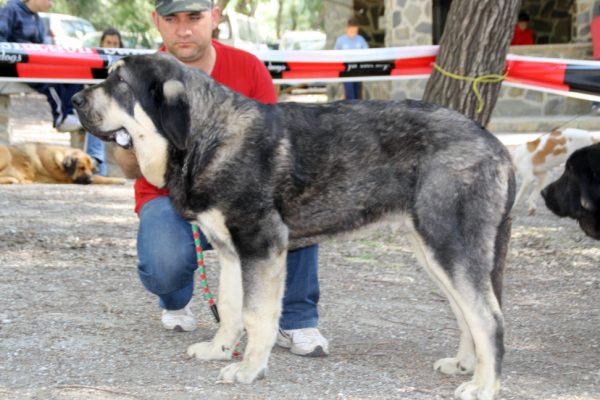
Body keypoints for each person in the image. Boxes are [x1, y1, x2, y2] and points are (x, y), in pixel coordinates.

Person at [113, 0, 329, 357]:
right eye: (171, 19)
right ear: (156, 22)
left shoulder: (248, 69)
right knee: (163, 265)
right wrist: (130, 141)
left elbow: (273, 153)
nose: (183, 29)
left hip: (240, 195)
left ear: (214, 17)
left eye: (194, 17)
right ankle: (175, 299)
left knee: (292, 204)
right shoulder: (138, 78)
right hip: (168, 197)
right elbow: (128, 168)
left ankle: (297, 320)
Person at [0, 0, 82, 132]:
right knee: (51, 81)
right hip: (14, 64)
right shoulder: (11, 10)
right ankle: (61, 117)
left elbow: (44, 47)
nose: (51, 4)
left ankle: (70, 112)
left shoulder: (38, 19)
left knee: (76, 75)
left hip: (36, 63)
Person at [84, 28, 124, 176]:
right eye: (108, 43)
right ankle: (96, 163)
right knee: (96, 112)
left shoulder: (125, 64)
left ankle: (97, 163)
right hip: (99, 107)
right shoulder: (93, 61)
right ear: (101, 43)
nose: (112, 47)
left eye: (115, 43)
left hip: (121, 107)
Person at [334, 18, 368, 100]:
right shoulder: (340, 40)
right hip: (346, 71)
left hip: (358, 70)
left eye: (355, 31)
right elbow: (335, 55)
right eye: (351, 31)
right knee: (349, 93)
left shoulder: (361, 40)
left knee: (357, 93)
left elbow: (367, 53)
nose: (353, 33)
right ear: (347, 29)